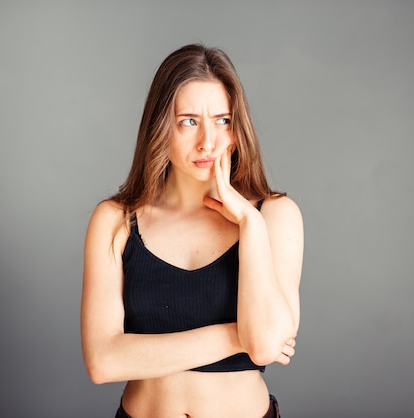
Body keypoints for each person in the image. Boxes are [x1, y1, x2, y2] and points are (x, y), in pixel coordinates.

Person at [81, 43, 304, 418]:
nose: (208, 142)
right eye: (189, 121)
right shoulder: (115, 221)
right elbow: (103, 361)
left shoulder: (274, 215)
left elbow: (264, 348)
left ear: (237, 128)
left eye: (222, 120)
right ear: (160, 126)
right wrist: (239, 335)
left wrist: (250, 224)